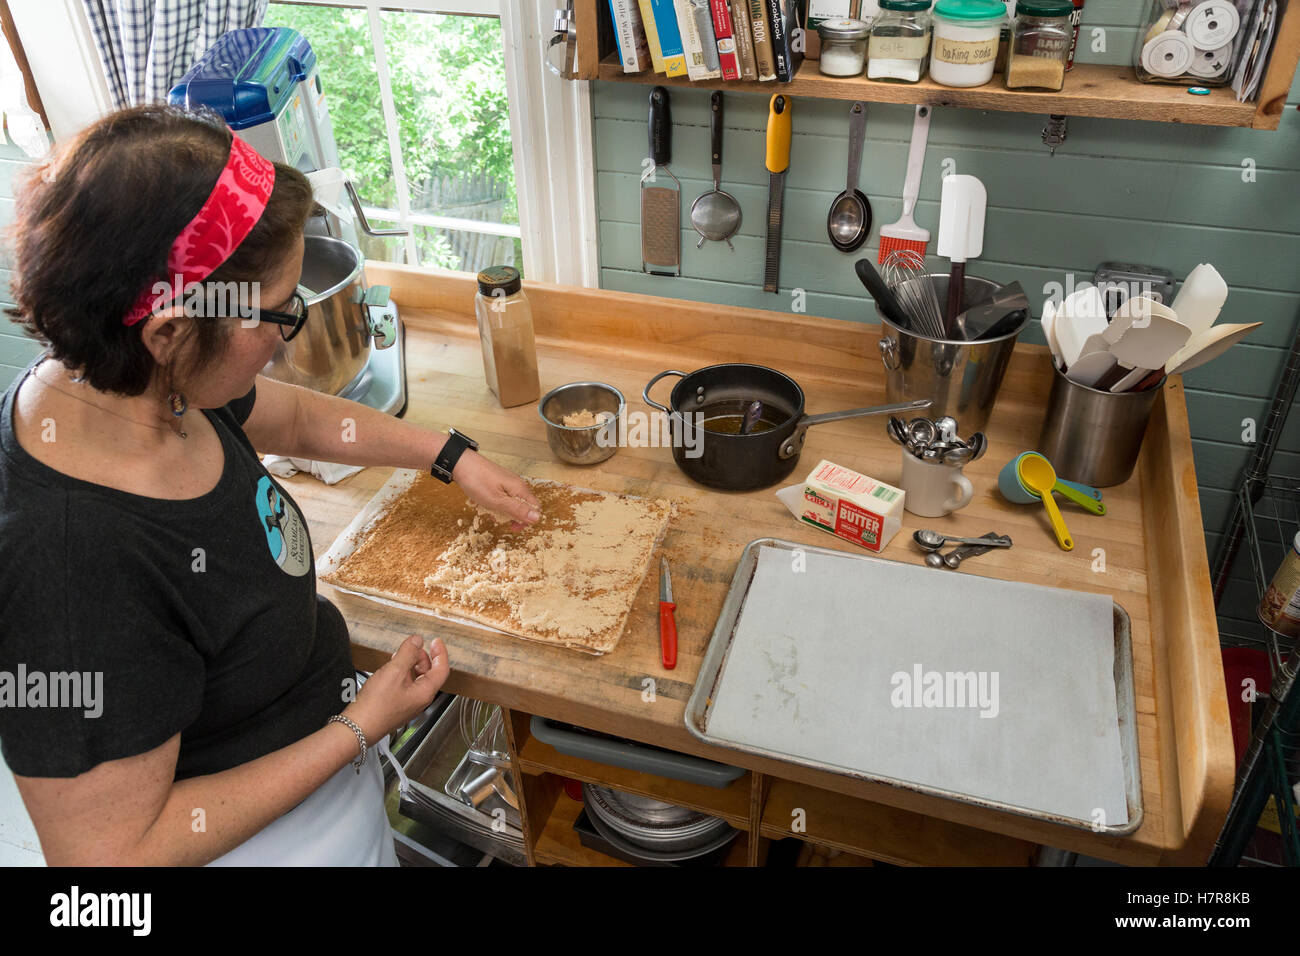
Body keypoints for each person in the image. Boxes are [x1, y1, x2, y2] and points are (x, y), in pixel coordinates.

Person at [0, 105, 541, 865]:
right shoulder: (67, 568)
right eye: (279, 315)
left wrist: (448, 454)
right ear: (171, 331)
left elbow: (289, 421)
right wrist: (357, 727)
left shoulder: (132, 379)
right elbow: (107, 857)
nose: (288, 333)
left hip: (325, 777)